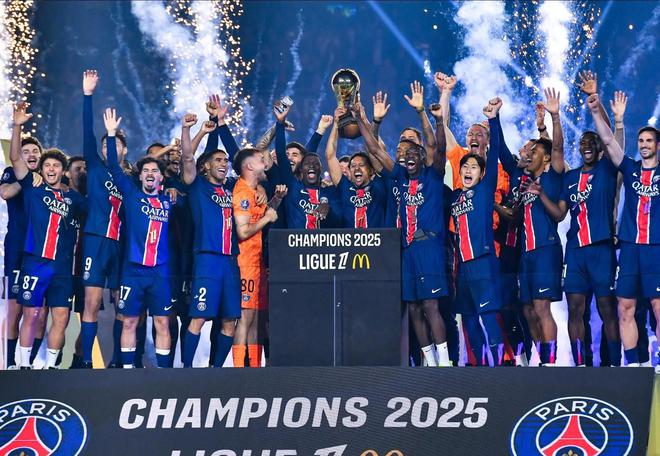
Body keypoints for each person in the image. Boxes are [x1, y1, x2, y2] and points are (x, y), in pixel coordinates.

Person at [538, 89, 626, 367]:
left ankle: (613, 365)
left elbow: (613, 141)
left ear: (600, 149)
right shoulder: (571, 177)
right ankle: (581, 365)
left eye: (592, 142)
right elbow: (560, 214)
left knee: (607, 308)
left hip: (602, 248)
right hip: (575, 252)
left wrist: (597, 105)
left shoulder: (608, 170)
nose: (587, 145)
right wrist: (540, 195)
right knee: (576, 309)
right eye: (583, 142)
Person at [364, 95, 452, 367]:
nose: (409, 156)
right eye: (405, 154)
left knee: (430, 305)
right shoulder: (399, 176)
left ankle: (444, 362)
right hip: (406, 249)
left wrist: (431, 117)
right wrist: (361, 117)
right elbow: (374, 149)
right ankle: (429, 362)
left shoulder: (433, 175)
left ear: (423, 158)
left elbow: (437, 147)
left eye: (415, 153)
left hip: (429, 248)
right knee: (413, 307)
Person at [587, 92, 660, 369]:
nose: (644, 145)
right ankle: (633, 366)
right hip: (630, 248)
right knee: (625, 307)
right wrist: (599, 112)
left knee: (658, 307)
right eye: (641, 141)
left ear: (658, 145)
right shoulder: (630, 168)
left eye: (649, 141)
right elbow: (608, 142)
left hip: (656, 248)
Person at [10, 103, 86, 369]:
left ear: (63, 171)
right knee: (31, 314)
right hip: (35, 262)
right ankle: (23, 366)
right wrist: (17, 125)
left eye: (56, 165)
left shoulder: (74, 198)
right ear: (41, 170)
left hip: (63, 267)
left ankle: (52, 367)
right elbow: (16, 159)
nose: (51, 169)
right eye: (47, 165)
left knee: (61, 317)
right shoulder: (33, 187)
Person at [499, 88, 566, 366]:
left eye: (535, 151)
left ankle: (550, 365)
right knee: (527, 310)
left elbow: (556, 148)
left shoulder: (553, 176)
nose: (529, 154)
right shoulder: (526, 182)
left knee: (541, 308)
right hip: (526, 254)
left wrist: (553, 118)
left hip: (546, 250)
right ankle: (542, 359)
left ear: (546, 158)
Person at [102, 108, 173, 368]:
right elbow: (113, 166)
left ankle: (164, 373)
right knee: (130, 321)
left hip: (161, 271)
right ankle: (128, 371)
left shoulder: (169, 200)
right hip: (133, 270)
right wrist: (111, 134)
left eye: (155, 170)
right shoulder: (131, 195)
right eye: (146, 170)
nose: (150, 173)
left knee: (163, 321)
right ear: (140, 175)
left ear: (161, 177)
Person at [179, 108, 241, 368]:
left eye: (225, 161)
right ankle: (187, 370)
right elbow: (187, 158)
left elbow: (242, 160)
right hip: (207, 260)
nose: (224, 163)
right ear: (206, 166)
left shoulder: (232, 188)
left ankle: (216, 371)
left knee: (229, 321)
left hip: (231, 261)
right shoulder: (198, 186)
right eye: (218, 160)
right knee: (199, 318)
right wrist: (190, 130)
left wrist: (220, 122)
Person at [79, 70, 129, 368]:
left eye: (115, 144)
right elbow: (87, 132)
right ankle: (87, 361)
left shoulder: (131, 182)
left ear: (124, 150)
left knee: (123, 305)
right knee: (92, 302)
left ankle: (118, 363)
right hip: (96, 241)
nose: (109, 148)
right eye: (106, 145)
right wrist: (88, 95)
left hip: (121, 247)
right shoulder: (96, 169)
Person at [451, 98, 507, 366]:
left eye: (473, 167)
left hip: (484, 262)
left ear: (482, 173)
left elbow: (494, 154)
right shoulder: (453, 197)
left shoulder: (485, 190)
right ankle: (479, 368)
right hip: (463, 267)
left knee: (488, 316)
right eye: (465, 167)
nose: (468, 170)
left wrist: (493, 119)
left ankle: (498, 369)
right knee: (469, 318)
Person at [232, 149, 284, 367]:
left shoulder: (254, 190)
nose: (265, 161)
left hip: (257, 261)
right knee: (246, 317)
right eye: (261, 159)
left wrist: (276, 200)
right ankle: (238, 369)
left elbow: (263, 214)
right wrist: (267, 219)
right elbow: (243, 231)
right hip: (245, 262)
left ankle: (255, 368)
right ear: (250, 166)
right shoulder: (243, 193)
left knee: (257, 319)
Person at [1, 133, 43, 369]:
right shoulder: (10, 172)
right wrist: (25, 180)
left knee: (39, 311)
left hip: (41, 251)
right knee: (14, 308)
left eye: (35, 151)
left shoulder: (47, 176)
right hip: (16, 248)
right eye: (25, 152)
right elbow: (5, 193)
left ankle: (29, 363)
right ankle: (9, 363)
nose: (31, 155)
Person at [274, 105, 340, 229]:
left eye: (316, 164)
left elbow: (340, 221)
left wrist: (329, 210)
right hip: (294, 241)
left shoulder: (329, 191)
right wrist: (280, 123)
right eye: (307, 164)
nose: (311, 166)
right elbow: (281, 155)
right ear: (301, 169)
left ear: (321, 169)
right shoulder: (292, 186)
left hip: (321, 241)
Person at [325, 106, 388, 228]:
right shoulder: (345, 187)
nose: (357, 168)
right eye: (353, 166)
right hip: (350, 240)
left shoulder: (379, 185)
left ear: (371, 170)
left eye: (361, 165)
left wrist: (363, 119)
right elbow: (330, 156)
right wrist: (336, 124)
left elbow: (377, 151)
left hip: (377, 240)